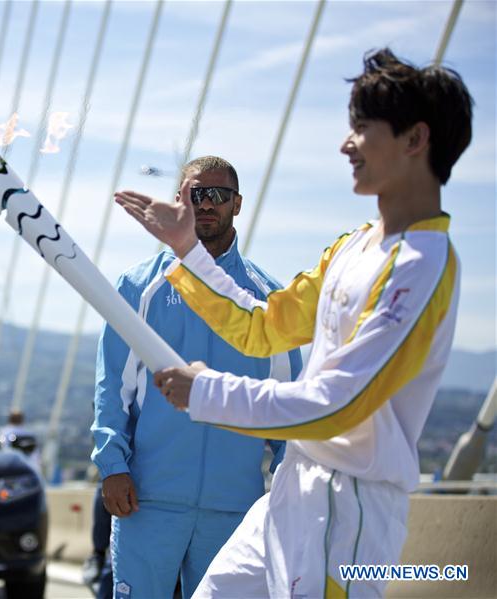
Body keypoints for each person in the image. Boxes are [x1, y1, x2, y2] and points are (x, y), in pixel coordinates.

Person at [115, 48, 473, 598]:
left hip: (349, 513)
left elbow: (338, 404)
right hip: (288, 496)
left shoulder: (422, 266)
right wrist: (187, 249)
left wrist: (207, 392)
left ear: (414, 139)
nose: (345, 144)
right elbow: (263, 326)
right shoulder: (353, 247)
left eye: (362, 129)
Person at [93, 156, 303, 599]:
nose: (206, 204)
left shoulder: (267, 299)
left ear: (238, 204)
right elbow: (113, 387)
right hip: (147, 502)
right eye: (195, 194)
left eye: (218, 195)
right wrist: (112, 466)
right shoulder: (139, 287)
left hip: (236, 510)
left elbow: (288, 409)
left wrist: (286, 501)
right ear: (178, 202)